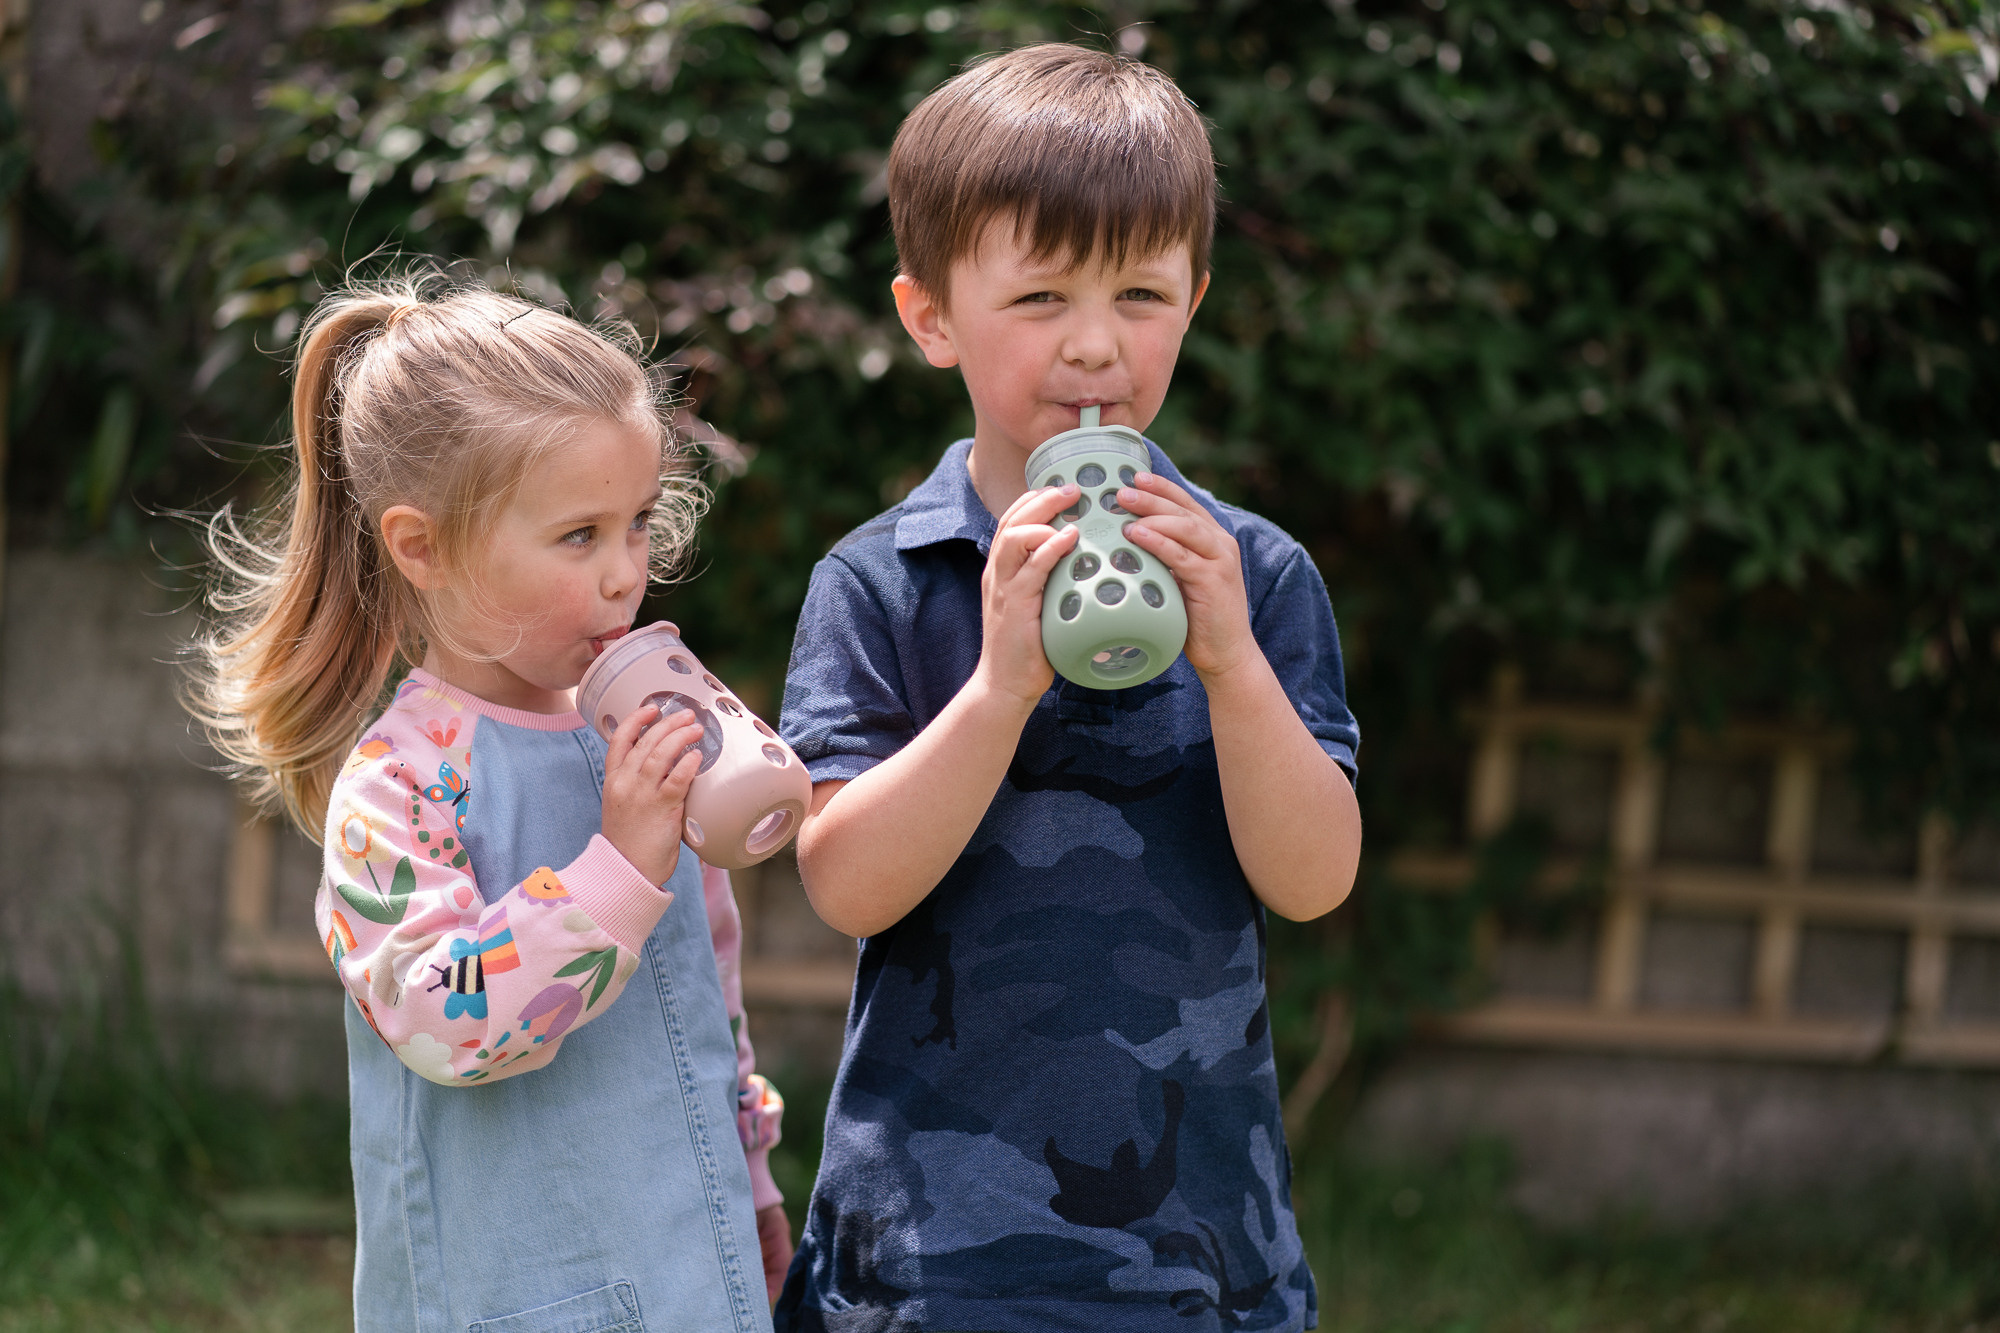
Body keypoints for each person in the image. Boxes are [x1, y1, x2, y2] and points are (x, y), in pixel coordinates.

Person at [774, 43, 1362, 1333]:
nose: (1095, 345)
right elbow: (845, 883)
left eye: (1140, 295)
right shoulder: (880, 580)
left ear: (1194, 302)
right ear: (928, 317)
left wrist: (1232, 663)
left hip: (1199, 1254)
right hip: (930, 1262)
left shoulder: (1254, 577)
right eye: (1038, 297)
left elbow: (1313, 878)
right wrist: (993, 689)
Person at [189, 276, 792, 1331]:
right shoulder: (404, 780)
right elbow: (438, 1018)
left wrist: (747, 1174)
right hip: (521, 1288)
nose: (624, 575)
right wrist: (618, 870)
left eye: (637, 523)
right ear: (421, 546)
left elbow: (709, 978)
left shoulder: (632, 734)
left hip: (689, 1260)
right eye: (578, 536)